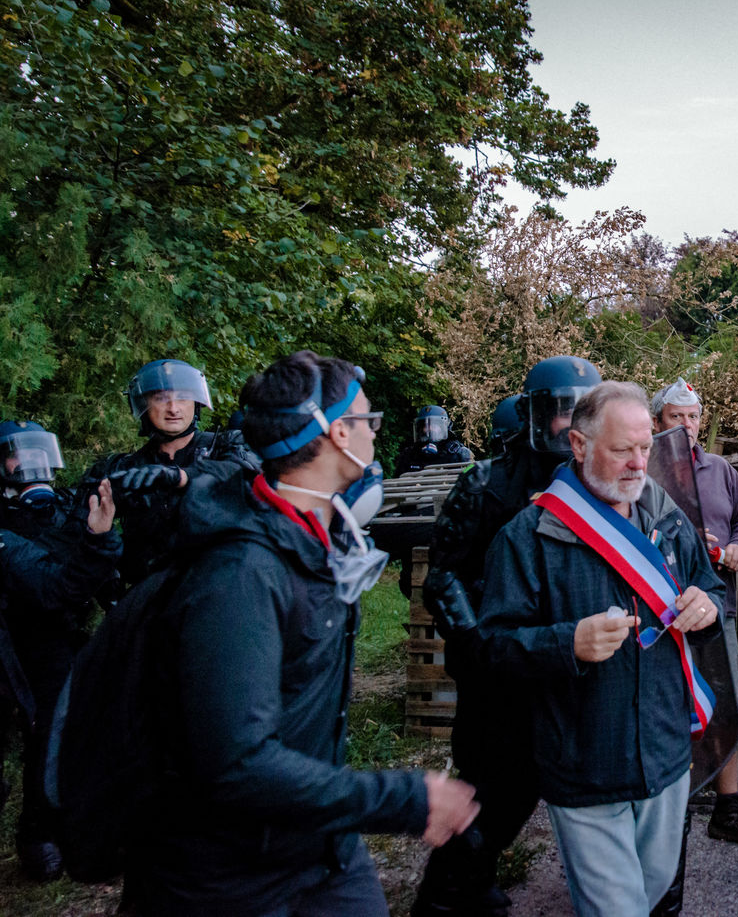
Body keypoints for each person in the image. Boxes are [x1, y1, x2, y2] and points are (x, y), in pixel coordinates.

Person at [123, 350, 479, 917]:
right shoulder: (240, 575)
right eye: (367, 420)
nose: (375, 432)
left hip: (319, 844)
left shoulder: (310, 538)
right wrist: (404, 799)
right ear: (338, 433)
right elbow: (237, 764)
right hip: (227, 880)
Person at [476, 381, 723, 917]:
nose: (638, 464)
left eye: (646, 447)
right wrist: (566, 643)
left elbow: (711, 587)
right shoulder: (527, 536)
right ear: (579, 445)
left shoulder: (667, 517)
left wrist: (709, 605)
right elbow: (492, 648)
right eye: (621, 449)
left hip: (666, 756)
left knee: (652, 893)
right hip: (585, 763)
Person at [412, 356, 600, 917]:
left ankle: (474, 878)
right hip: (496, 665)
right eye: (560, 411)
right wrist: (478, 645)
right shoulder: (485, 482)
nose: (570, 424)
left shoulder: (595, 479)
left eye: (581, 412)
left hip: (560, 658)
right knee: (490, 786)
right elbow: (442, 576)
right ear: (534, 414)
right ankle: (444, 896)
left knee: (530, 784)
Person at [650, 378, 738, 853]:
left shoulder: (721, 469)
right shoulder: (644, 469)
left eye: (693, 416)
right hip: (657, 614)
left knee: (723, 705)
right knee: (663, 708)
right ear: (657, 422)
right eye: (676, 417)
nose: (687, 425)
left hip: (717, 608)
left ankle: (729, 809)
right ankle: (666, 810)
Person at [0, 422, 121, 881]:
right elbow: (55, 585)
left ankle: (46, 831)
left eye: (38, 452)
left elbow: (101, 572)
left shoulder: (66, 508)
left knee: (60, 733)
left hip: (57, 640)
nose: (30, 463)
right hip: (10, 645)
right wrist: (97, 542)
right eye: (17, 455)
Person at [74, 359, 259, 589]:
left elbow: (247, 477)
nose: (173, 408)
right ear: (143, 404)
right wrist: (109, 582)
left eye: (183, 397)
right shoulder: (122, 468)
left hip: (218, 590)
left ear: (196, 402)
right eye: (161, 398)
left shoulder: (227, 447)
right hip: (147, 596)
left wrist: (184, 477)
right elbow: (79, 536)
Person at [396, 405, 473, 474]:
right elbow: (398, 479)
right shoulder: (410, 454)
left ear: (443, 428)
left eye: (434, 425)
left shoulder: (458, 453)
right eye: (425, 426)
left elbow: (472, 474)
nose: (429, 429)